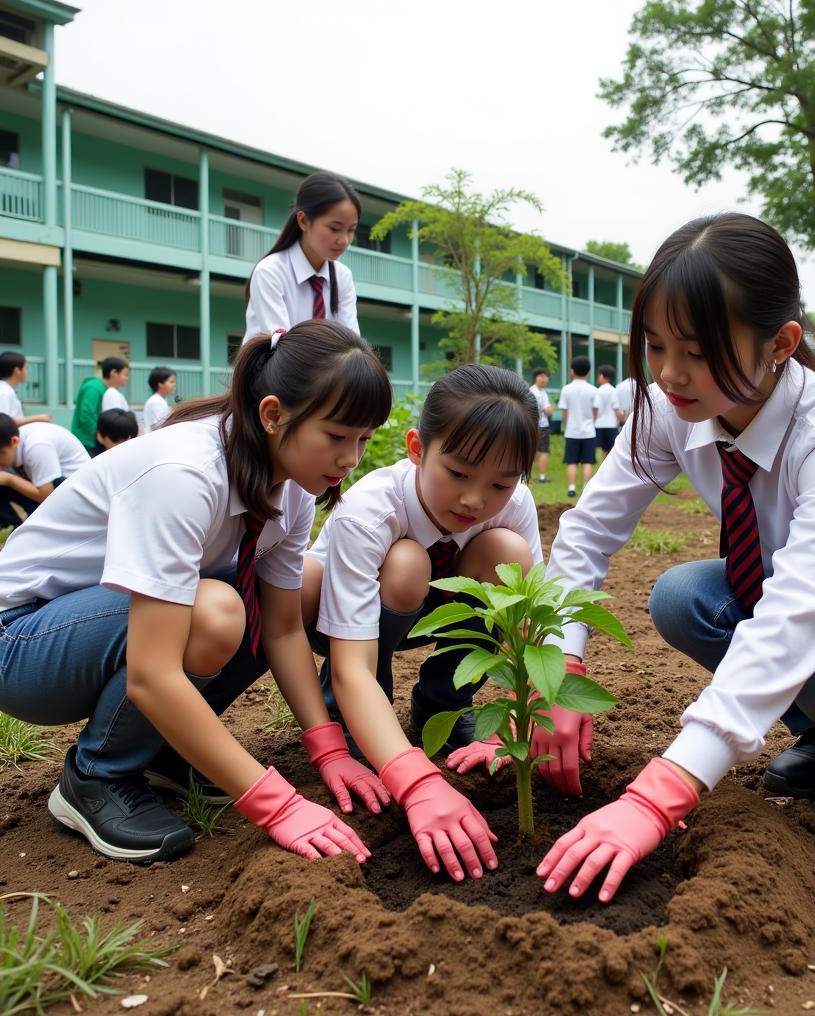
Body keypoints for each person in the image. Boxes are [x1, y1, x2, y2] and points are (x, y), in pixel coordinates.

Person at [455, 214, 815, 904]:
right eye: (656, 345)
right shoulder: (670, 409)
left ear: (780, 344)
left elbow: (798, 617)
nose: (668, 372)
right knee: (682, 597)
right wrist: (558, 671)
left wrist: (660, 794)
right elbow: (588, 532)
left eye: (697, 350)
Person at [0, 320, 394, 865]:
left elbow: (280, 626)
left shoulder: (296, 485)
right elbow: (153, 673)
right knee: (214, 613)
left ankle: (162, 750)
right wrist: (277, 806)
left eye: (364, 439)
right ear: (274, 415)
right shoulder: (184, 474)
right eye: (336, 436)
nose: (351, 458)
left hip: (99, 625)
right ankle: (96, 774)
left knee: (305, 585)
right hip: (22, 642)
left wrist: (327, 748)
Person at [299, 365, 540, 881]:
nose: (475, 500)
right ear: (416, 448)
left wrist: (520, 720)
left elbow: (528, 623)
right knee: (407, 562)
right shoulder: (371, 508)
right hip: (341, 623)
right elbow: (350, 664)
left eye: (500, 482)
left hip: (433, 610)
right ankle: (355, 716)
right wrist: (409, 775)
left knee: (509, 554)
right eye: (456, 473)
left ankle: (444, 703)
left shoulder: (513, 506)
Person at [244, 172, 361, 344]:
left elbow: (352, 345)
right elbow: (282, 349)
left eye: (351, 230)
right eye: (335, 228)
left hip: (328, 370)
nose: (344, 240)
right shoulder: (270, 272)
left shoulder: (343, 277)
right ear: (304, 221)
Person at [0, 414, 90, 528]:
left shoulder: (37, 446)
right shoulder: (12, 440)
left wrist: (9, 479)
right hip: (49, 488)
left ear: (14, 441)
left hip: (75, 495)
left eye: (1, 453)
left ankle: (35, 525)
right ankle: (17, 525)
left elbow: (46, 495)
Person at [71, 356, 129, 454]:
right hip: (88, 443)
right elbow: (86, 416)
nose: (127, 378)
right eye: (125, 374)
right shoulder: (93, 388)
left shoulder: (108, 390)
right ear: (114, 373)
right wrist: (101, 437)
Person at [559, 356, 599, 498]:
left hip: (572, 431)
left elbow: (564, 411)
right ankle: (585, 489)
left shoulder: (566, 389)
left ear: (572, 371)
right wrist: (591, 422)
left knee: (572, 461)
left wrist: (565, 424)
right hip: (589, 431)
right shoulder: (593, 390)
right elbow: (595, 412)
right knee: (588, 461)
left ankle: (571, 488)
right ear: (588, 371)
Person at [0, 351, 51, 427]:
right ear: (17, 371)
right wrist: (37, 418)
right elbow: (3, 422)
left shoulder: (6, 390)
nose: (27, 372)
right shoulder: (4, 392)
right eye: (26, 368)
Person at [528, 367, 554, 482]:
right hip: (541, 425)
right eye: (541, 376)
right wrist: (552, 407)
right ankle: (542, 477)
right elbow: (547, 411)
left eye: (546, 376)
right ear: (536, 377)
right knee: (543, 451)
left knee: (532, 450)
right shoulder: (538, 393)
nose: (544, 379)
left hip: (531, 425)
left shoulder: (532, 391)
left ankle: (526, 475)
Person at [594, 364, 625, 460]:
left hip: (598, 424)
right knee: (611, 450)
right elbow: (616, 409)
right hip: (611, 425)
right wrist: (622, 419)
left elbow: (596, 408)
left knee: (602, 449)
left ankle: (602, 467)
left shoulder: (597, 391)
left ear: (602, 376)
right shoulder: (613, 390)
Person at [143, 366, 176, 433]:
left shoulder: (160, 400)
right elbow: (158, 426)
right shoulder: (156, 402)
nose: (174, 384)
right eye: (171, 382)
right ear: (160, 384)